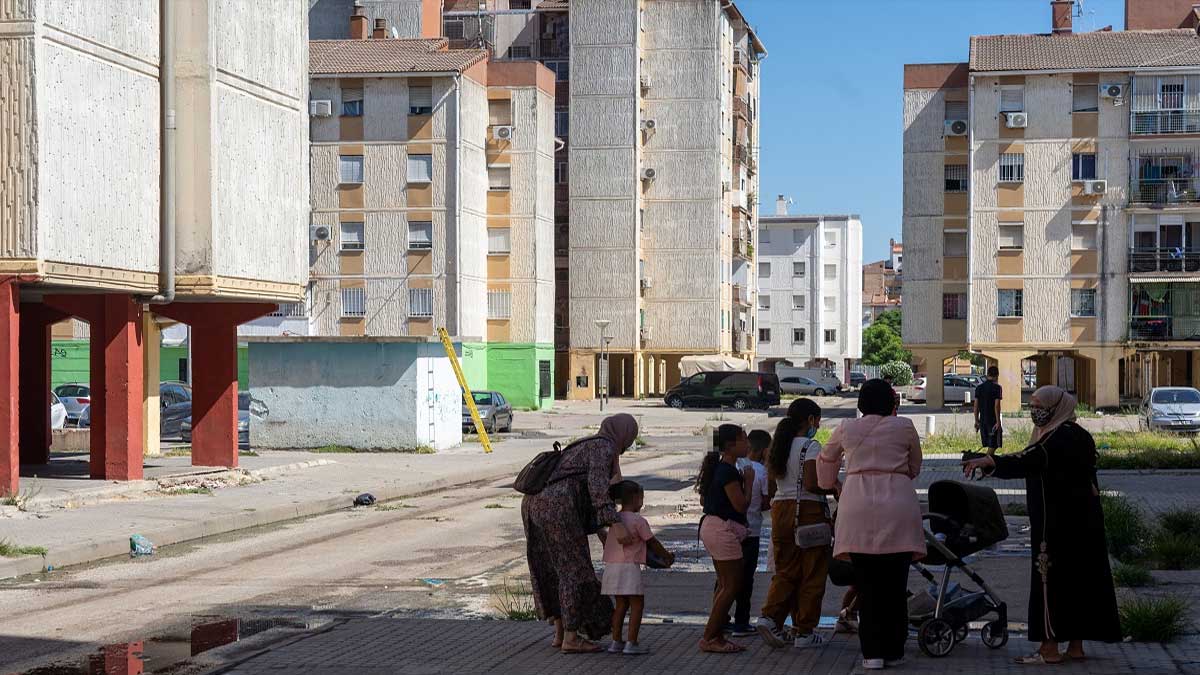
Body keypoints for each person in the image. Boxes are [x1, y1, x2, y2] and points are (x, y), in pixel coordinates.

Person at [962, 386, 1121, 665]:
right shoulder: (1079, 435)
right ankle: (1075, 647)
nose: (1035, 411)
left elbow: (1028, 460)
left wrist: (990, 461)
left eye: (1039, 405)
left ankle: (1049, 649)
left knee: (1052, 582)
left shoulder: (1056, 440)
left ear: (1056, 407)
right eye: (1032, 405)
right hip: (1085, 522)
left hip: (1056, 524)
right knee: (1079, 581)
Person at [817, 380, 924, 671]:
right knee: (894, 588)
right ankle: (893, 650)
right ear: (892, 402)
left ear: (861, 403)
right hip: (898, 505)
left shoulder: (846, 428)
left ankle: (872, 654)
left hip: (856, 505)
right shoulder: (904, 426)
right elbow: (915, 466)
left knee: (867, 587)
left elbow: (825, 460)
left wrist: (833, 484)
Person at [522, 413, 640, 654]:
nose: (628, 445)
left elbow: (582, 490)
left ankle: (559, 634)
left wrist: (599, 530)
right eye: (630, 439)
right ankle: (572, 638)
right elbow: (597, 489)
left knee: (552, 569)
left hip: (533, 504)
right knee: (573, 570)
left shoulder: (586, 443)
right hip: (558, 508)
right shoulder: (604, 448)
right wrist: (615, 524)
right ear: (624, 433)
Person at [757, 398, 837, 650]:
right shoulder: (811, 447)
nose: (819, 425)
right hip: (808, 512)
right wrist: (833, 487)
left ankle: (769, 618)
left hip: (780, 510)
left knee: (787, 571)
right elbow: (812, 484)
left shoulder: (777, 447)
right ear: (811, 420)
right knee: (813, 573)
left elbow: (771, 487)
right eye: (818, 420)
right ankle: (804, 631)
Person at [696, 423, 753, 653]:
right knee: (731, 585)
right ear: (731, 446)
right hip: (721, 530)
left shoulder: (719, 468)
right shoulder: (728, 471)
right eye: (744, 439)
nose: (747, 444)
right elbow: (741, 505)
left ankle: (716, 633)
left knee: (725, 584)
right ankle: (710, 637)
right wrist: (748, 483)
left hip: (711, 526)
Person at [603, 480, 675, 655]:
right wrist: (666, 555)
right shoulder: (638, 520)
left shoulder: (615, 520)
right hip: (629, 568)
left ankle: (616, 641)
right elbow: (652, 542)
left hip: (612, 567)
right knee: (637, 604)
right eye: (642, 498)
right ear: (635, 498)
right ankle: (632, 643)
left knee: (620, 604)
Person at [725, 428, 772, 636]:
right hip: (751, 531)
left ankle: (722, 618)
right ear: (763, 450)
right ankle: (741, 622)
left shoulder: (732, 465)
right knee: (746, 579)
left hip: (728, 530)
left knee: (725, 578)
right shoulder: (761, 471)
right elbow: (765, 501)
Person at [974, 366, 1004, 455]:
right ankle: (983, 464)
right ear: (997, 375)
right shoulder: (997, 388)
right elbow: (997, 406)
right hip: (992, 422)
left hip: (982, 421)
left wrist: (976, 421)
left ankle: (988, 465)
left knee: (990, 445)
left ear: (988, 374)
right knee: (993, 445)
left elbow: (976, 406)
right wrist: (998, 422)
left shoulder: (979, 388)